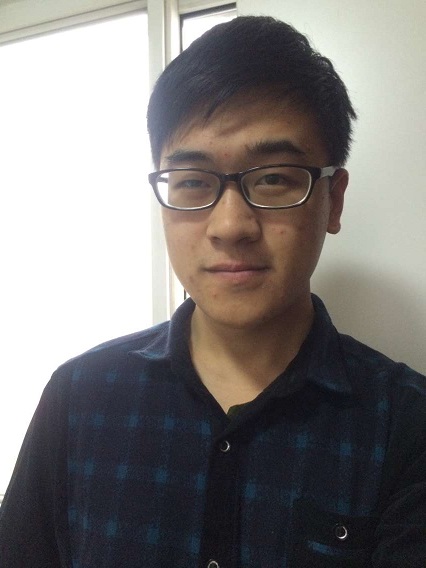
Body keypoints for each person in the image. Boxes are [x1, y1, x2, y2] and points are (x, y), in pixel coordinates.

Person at [1, 15, 425, 568]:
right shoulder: (79, 398)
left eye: (273, 178)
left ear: (334, 200)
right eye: (193, 182)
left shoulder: (407, 426)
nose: (230, 226)